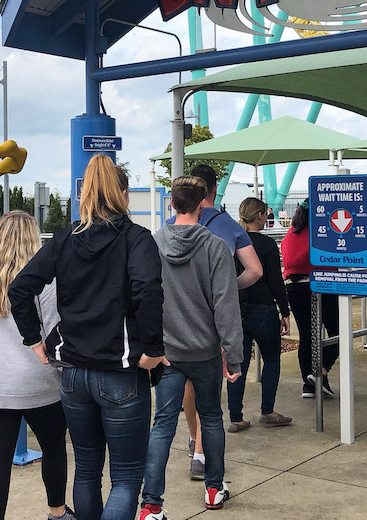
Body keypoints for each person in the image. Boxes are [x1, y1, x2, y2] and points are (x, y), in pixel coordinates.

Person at [9, 155, 165, 520]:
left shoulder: (65, 239)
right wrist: (154, 350)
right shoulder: (136, 239)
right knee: (126, 478)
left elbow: (20, 288)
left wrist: (35, 340)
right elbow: (148, 289)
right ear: (122, 193)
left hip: (75, 374)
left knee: (87, 469)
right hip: (121, 373)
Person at [140, 175, 243, 519]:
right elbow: (225, 306)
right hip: (206, 352)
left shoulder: (152, 244)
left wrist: (149, 344)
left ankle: (151, 504)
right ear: (203, 204)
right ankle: (213, 489)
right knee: (211, 418)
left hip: (167, 353)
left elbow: (141, 298)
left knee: (162, 424)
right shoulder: (215, 248)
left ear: (172, 204)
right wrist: (235, 355)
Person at [0, 212, 73, 520]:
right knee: (54, 448)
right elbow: (55, 330)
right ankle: (57, 512)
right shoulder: (43, 283)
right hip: (38, 381)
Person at [166, 164, 262, 480]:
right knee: (212, 399)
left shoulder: (167, 229)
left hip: (176, 326)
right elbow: (255, 271)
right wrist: (224, 284)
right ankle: (205, 462)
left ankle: (195, 444)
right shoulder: (229, 227)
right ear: (212, 190)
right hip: (213, 324)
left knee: (186, 391)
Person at [226, 197, 292, 433]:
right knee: (272, 359)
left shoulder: (232, 242)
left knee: (238, 363)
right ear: (260, 216)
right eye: (265, 214)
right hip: (264, 310)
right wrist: (284, 311)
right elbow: (276, 281)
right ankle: (268, 411)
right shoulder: (266, 244)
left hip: (237, 309)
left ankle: (235, 416)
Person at [281, 199, 338, 399]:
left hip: (294, 288)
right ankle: (320, 372)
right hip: (321, 285)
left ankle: (309, 385)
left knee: (308, 336)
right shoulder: (320, 234)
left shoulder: (290, 234)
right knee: (338, 333)